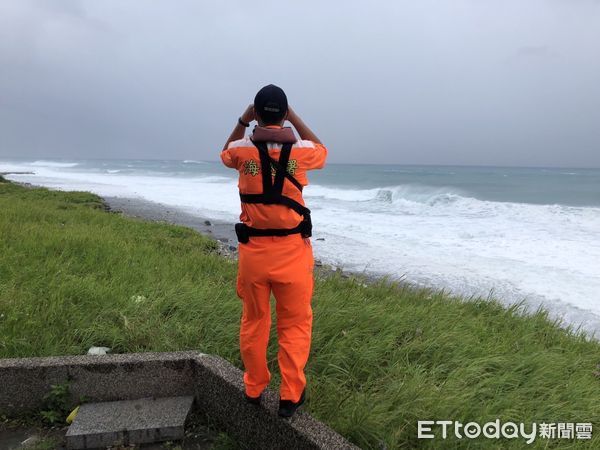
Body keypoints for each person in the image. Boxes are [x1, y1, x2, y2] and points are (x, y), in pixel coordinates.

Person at [220, 84, 328, 418]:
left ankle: (254, 387)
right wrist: (293, 115)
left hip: (253, 254)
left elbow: (224, 152)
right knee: (294, 325)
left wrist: (242, 119)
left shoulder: (243, 153)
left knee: (254, 321)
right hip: (293, 254)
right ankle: (290, 396)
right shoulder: (300, 154)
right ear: (283, 115)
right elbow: (322, 148)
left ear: (256, 113)